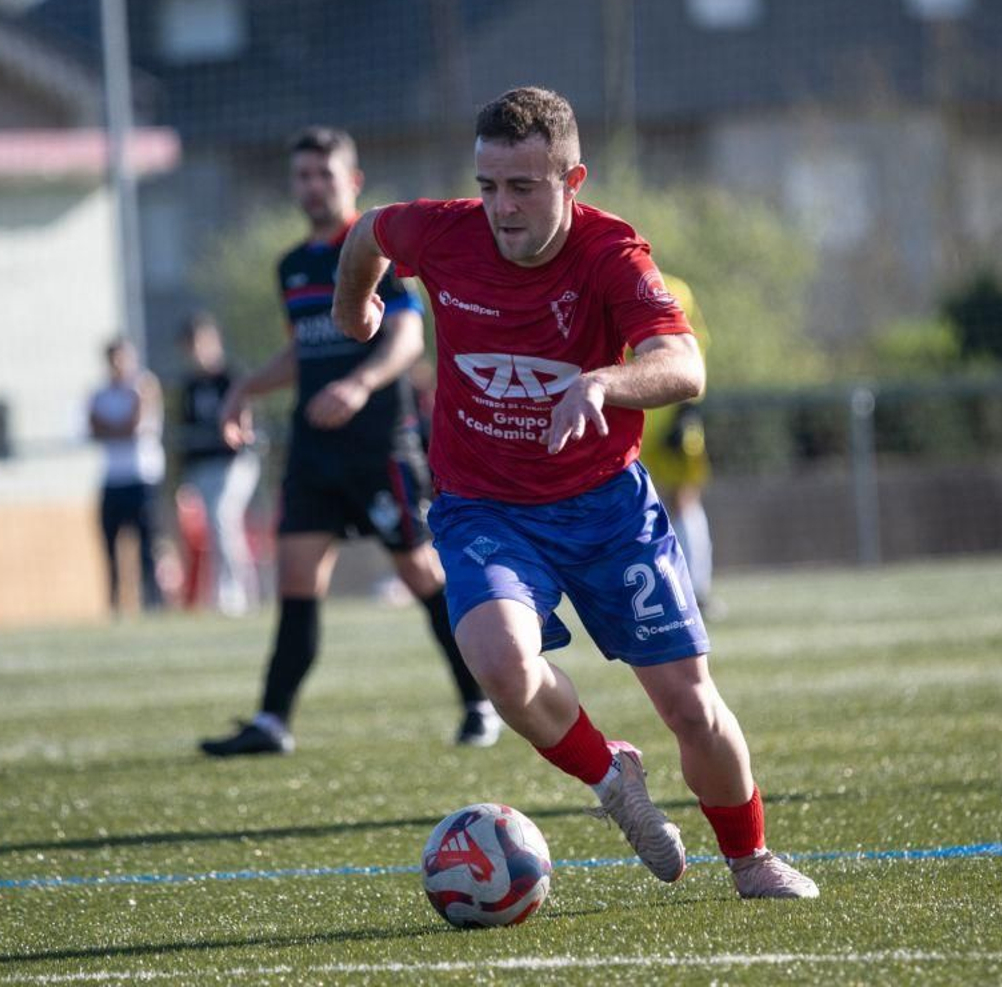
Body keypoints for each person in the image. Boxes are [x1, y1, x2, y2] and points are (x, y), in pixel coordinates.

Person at [332, 87, 818, 899]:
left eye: (522, 187)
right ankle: (610, 778)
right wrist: (358, 309)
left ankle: (751, 857)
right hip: (482, 505)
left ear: (572, 179)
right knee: (500, 663)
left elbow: (684, 365)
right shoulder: (445, 231)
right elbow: (367, 232)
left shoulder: (612, 254)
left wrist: (604, 380)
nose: (500, 206)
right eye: (488, 185)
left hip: (605, 509)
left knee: (691, 707)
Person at [200, 126, 498, 757]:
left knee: (421, 573)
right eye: (302, 175)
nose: (312, 186)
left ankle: (480, 702)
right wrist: (245, 388)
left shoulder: (375, 248)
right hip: (315, 454)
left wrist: (360, 385)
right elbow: (304, 349)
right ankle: (272, 721)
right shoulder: (292, 266)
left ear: (352, 181)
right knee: (296, 580)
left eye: (324, 175)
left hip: (379, 448)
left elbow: (409, 337)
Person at [639, 275, 718, 615]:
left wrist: (689, 408)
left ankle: (696, 589)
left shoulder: (671, 288)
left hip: (667, 410)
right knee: (636, 502)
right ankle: (661, 590)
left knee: (683, 497)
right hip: (632, 413)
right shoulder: (603, 280)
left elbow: (693, 348)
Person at [176, 312, 261, 616]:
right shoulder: (190, 386)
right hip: (203, 467)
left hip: (234, 464)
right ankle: (224, 592)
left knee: (223, 518)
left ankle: (236, 592)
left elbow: (244, 421)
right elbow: (187, 430)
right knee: (214, 528)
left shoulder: (230, 376)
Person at [89, 337, 166, 615]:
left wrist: (114, 429)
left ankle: (153, 603)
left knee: (147, 546)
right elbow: (94, 429)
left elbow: (133, 425)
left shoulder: (145, 384)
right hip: (112, 479)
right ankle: (115, 605)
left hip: (142, 478)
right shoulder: (99, 393)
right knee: (110, 546)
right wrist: (115, 430)